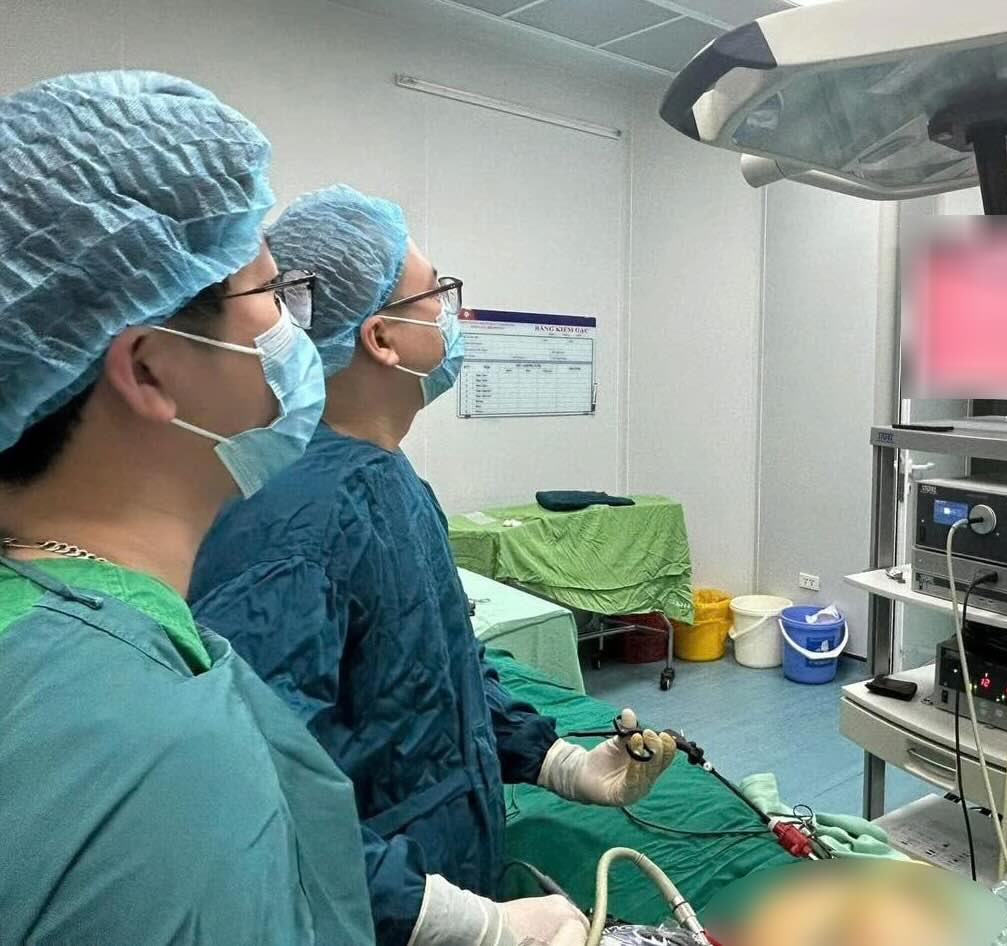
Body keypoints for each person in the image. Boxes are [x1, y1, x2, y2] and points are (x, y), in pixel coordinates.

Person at [189, 184, 677, 946]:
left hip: (438, 852)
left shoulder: (386, 482)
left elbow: (435, 665)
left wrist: (556, 760)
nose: (452, 314)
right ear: (382, 338)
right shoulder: (297, 516)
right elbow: (256, 789)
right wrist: (452, 921)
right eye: (438, 292)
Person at [0, 72, 373, 944]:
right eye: (273, 297)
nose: (297, 331)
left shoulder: (47, 626)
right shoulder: (143, 751)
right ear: (150, 369)